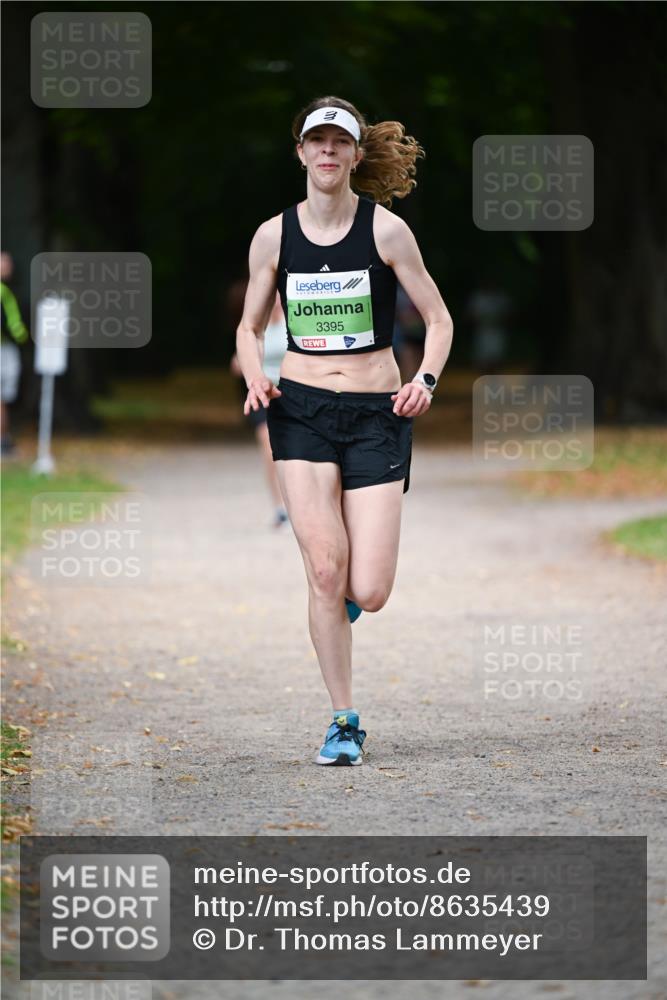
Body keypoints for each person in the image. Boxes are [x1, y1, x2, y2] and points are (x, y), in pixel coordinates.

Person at [235, 96, 453, 766]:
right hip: (298, 410)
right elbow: (248, 327)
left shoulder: (386, 233)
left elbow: (439, 321)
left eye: (339, 143)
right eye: (316, 141)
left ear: (356, 156)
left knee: (369, 590)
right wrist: (254, 376)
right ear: (299, 152)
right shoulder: (273, 236)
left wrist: (425, 382)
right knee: (326, 569)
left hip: (374, 415)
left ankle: (341, 605)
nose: (327, 152)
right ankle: (342, 720)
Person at [230, 290, 290, 528]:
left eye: (277, 296)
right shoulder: (257, 328)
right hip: (264, 394)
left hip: (290, 393)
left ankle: (299, 504)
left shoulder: (293, 324)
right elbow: (238, 362)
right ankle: (280, 507)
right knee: (269, 448)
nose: (274, 301)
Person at [1, 252, 29, 456]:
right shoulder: (4, 292)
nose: (8, 266)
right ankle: (2, 440)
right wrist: (25, 338)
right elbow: (14, 325)